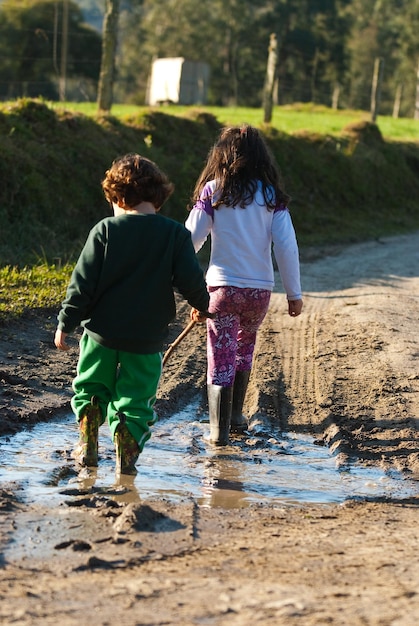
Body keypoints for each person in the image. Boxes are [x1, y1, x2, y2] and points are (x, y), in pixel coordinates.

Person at [55, 153, 210, 475]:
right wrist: (205, 306)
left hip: (101, 333)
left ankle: (87, 442)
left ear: (118, 196)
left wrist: (65, 323)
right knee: (136, 397)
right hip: (146, 337)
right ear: (158, 197)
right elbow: (191, 281)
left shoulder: (105, 230)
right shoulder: (175, 235)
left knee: (91, 387)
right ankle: (127, 447)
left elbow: (82, 282)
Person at [185, 125, 303, 446]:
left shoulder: (214, 192)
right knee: (244, 348)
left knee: (219, 356)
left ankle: (217, 432)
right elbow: (287, 246)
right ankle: (236, 417)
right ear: (261, 158)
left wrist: (183, 282)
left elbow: (191, 239)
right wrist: (294, 294)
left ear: (222, 156)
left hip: (221, 290)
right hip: (259, 293)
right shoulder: (271, 197)